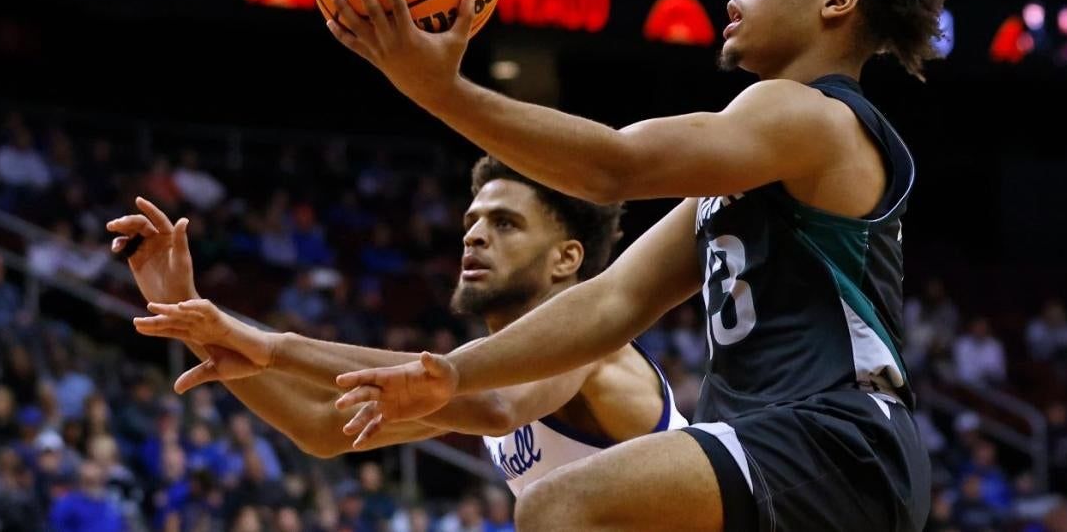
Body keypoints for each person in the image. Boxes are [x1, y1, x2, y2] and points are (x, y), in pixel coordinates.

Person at [325, 0, 952, 532]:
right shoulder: (749, 167)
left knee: (559, 505)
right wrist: (454, 373)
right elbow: (610, 302)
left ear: (837, 0)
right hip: (804, 456)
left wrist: (441, 91)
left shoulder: (813, 115)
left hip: (838, 441)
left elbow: (614, 167)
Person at [113, 156, 686, 496]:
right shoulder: (488, 366)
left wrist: (271, 346)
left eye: (505, 223)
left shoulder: (589, 338)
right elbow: (320, 428)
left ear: (566, 259)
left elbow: (496, 408)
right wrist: (188, 315)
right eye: (472, 220)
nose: (474, 235)